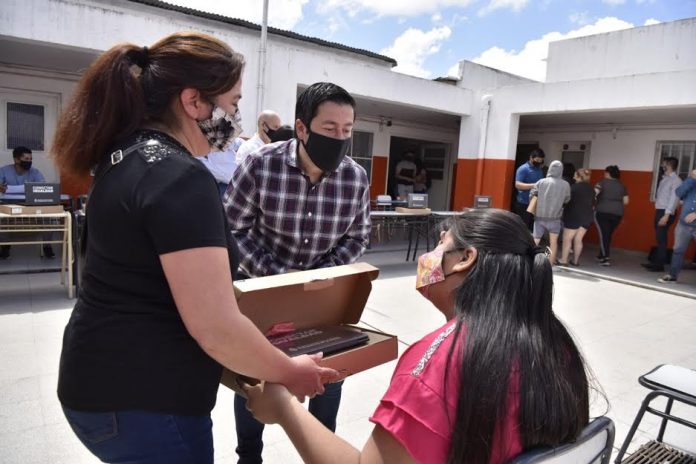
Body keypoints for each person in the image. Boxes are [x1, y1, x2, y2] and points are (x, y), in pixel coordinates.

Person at [51, 33, 335, 464]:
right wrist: (290, 372)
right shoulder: (180, 177)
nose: (237, 118)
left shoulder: (124, 158)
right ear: (194, 102)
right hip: (146, 401)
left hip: (97, 384)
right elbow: (214, 325)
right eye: (234, 103)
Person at [244, 209, 591, 464]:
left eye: (439, 246)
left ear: (464, 259)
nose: (427, 259)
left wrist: (284, 408)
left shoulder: (440, 360)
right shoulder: (554, 341)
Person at [224, 82, 371, 463]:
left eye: (348, 130)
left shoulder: (355, 177)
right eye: (329, 129)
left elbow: (358, 237)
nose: (340, 138)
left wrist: (321, 278)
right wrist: (283, 278)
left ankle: (323, 450)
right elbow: (232, 229)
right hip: (263, 295)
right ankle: (249, 456)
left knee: (327, 374)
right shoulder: (260, 165)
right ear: (302, 128)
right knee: (256, 377)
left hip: (325, 298)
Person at [0, 146, 54, 259]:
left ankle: (47, 246)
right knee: (1, 219)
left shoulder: (35, 172)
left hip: (31, 205)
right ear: (16, 160)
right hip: (9, 204)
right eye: (26, 159)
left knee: (48, 217)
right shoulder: (4, 171)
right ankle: (5, 247)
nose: (29, 161)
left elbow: (43, 186)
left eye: (30, 159)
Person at [643, 157, 682, 272]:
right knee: (659, 238)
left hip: (666, 212)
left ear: (669, 165)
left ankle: (659, 265)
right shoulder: (665, 178)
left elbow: (674, 199)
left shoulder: (676, 180)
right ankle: (656, 262)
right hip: (660, 210)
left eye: (664, 164)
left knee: (661, 238)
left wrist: (667, 215)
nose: (662, 166)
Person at [658, 169, 696, 283]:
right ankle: (672, 275)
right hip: (684, 224)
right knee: (678, 250)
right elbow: (678, 193)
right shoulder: (691, 182)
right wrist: (691, 179)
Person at [529, 160, 570, 264]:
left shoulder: (541, 182)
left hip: (539, 217)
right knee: (552, 243)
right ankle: (549, 262)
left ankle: (531, 260)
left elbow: (532, 196)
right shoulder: (565, 185)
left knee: (536, 240)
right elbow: (567, 200)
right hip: (555, 219)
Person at [594, 165, 629, 266]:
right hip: (618, 213)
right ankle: (601, 255)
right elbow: (626, 201)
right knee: (607, 234)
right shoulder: (622, 186)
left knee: (604, 235)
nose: (604, 174)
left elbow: (594, 194)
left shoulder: (602, 183)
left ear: (608, 173)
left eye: (605, 172)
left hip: (602, 212)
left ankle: (605, 258)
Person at [559, 169, 595, 266]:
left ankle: (563, 260)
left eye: (575, 174)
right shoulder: (591, 189)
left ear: (579, 176)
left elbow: (566, 201)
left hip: (573, 216)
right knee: (578, 239)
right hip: (586, 217)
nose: (573, 176)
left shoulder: (573, 188)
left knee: (567, 239)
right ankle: (575, 261)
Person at [514, 148, 545, 230]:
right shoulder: (523, 168)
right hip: (524, 202)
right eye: (537, 160)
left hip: (535, 201)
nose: (538, 162)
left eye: (540, 161)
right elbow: (517, 185)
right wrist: (534, 185)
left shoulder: (539, 169)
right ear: (531, 158)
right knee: (523, 225)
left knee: (532, 224)